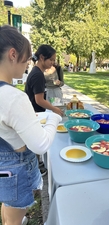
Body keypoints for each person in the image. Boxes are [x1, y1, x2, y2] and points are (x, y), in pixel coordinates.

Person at [0, 25, 62, 225]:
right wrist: (53, 117)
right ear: (12, 54)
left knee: (9, 206)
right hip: (16, 170)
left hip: (5, 169)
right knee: (12, 220)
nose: (28, 63)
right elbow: (41, 145)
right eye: (26, 58)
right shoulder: (12, 97)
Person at [25, 45, 63, 176]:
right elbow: (39, 100)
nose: (53, 63)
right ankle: (35, 169)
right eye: (51, 60)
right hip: (36, 112)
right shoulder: (37, 75)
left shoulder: (38, 72)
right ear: (42, 58)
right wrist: (55, 109)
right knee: (37, 141)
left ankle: (37, 163)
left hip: (36, 111)